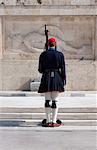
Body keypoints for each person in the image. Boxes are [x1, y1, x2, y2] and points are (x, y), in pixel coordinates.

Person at [38, 37, 66, 127]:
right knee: (55, 101)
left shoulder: (43, 55)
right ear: (55, 44)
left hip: (46, 77)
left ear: (47, 45)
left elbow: (40, 69)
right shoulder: (60, 54)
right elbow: (63, 69)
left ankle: (47, 120)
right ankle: (54, 121)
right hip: (57, 78)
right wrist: (63, 79)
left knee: (47, 101)